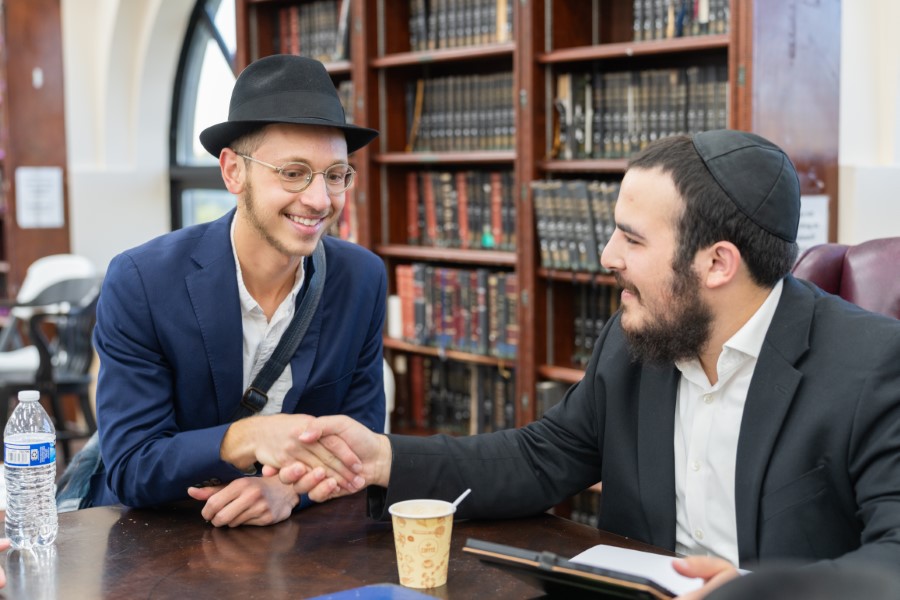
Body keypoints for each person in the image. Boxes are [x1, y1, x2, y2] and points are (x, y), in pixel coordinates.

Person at [264, 130, 900, 596]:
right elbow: (539, 458)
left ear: (716, 263)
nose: (607, 255)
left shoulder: (873, 367)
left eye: (632, 237)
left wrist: (752, 594)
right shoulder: (634, 340)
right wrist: (381, 458)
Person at [87, 54, 383, 526]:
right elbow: (131, 466)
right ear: (233, 172)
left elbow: (359, 449)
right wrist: (248, 437)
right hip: (158, 537)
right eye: (293, 172)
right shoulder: (142, 281)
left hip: (295, 546)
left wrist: (288, 490)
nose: (319, 200)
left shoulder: (362, 279)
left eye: (335, 175)